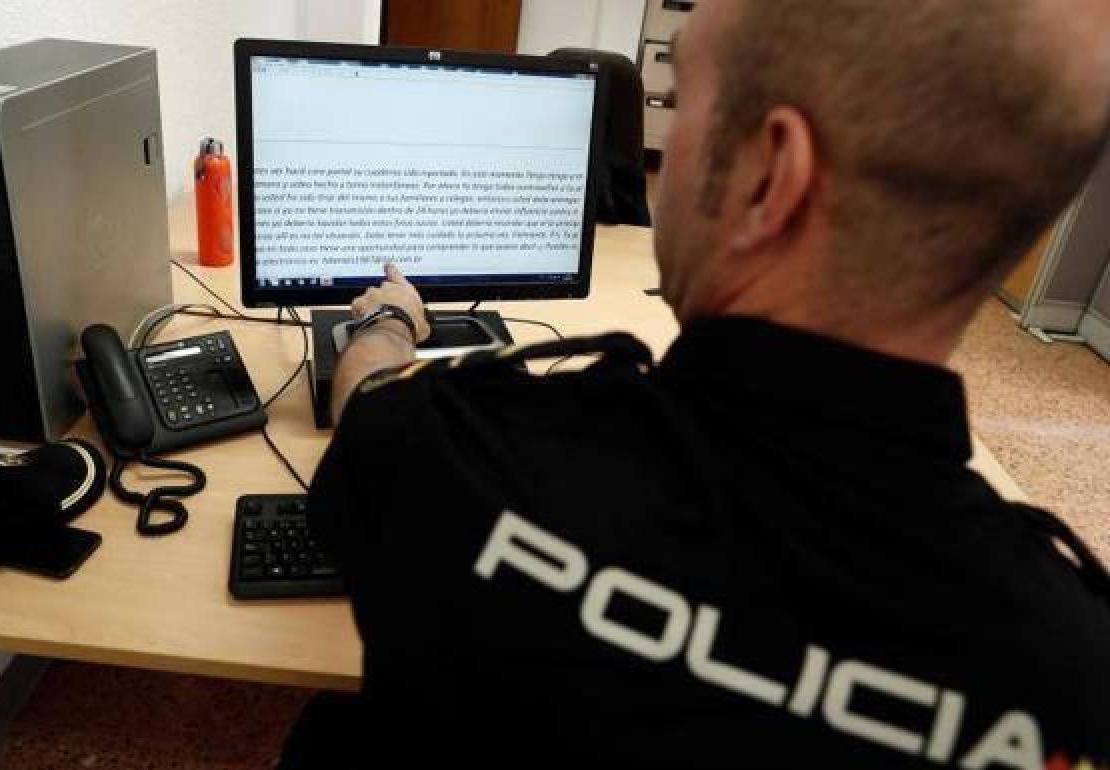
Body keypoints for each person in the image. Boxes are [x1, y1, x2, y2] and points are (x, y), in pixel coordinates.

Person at [286, 1, 1110, 767]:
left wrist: (388, 323)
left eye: (681, 103)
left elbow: (367, 401)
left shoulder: (452, 453)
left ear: (767, 177)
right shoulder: (1069, 677)